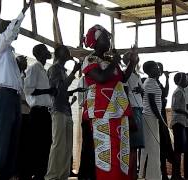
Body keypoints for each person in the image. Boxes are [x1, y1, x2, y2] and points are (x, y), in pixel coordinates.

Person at [82, 25, 136, 180]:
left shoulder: (109, 60)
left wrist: (131, 62)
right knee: (107, 152)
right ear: (96, 41)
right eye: (105, 37)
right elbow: (101, 78)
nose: (109, 40)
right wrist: (115, 62)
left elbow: (123, 78)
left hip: (118, 108)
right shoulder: (90, 59)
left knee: (121, 149)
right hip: (102, 110)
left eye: (109, 37)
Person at [0, 1, 31, 179]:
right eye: (14, 30)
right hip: (3, 96)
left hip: (12, 97)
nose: (17, 33)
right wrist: (22, 13)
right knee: (3, 139)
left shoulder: (9, 53)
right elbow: (10, 32)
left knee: (13, 139)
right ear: (5, 30)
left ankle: (8, 174)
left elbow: (15, 80)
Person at [45, 45, 81, 180]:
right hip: (58, 109)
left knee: (67, 147)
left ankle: (63, 175)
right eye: (66, 52)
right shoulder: (54, 69)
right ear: (59, 55)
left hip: (66, 110)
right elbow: (60, 88)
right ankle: (52, 176)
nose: (69, 54)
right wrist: (74, 72)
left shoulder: (62, 71)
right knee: (58, 144)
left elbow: (63, 91)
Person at [23, 44, 56, 180]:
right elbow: (28, 90)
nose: (49, 52)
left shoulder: (42, 69)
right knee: (37, 145)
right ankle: (35, 174)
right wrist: (48, 91)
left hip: (45, 112)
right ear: (40, 53)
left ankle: (41, 174)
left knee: (45, 144)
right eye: (46, 50)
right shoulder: (34, 68)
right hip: (37, 112)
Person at [122, 52, 144, 180]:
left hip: (139, 109)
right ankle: (130, 175)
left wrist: (141, 91)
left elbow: (141, 91)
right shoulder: (126, 73)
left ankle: (133, 175)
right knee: (132, 146)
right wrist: (129, 114)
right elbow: (124, 94)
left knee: (135, 146)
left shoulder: (136, 75)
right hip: (132, 111)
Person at [139, 61, 162, 180]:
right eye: (156, 67)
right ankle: (153, 176)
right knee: (153, 147)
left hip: (152, 117)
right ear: (149, 70)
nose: (158, 69)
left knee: (151, 147)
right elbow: (152, 103)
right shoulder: (149, 83)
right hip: (150, 117)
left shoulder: (153, 82)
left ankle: (151, 175)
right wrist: (160, 118)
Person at [170, 72, 188, 180]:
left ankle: (177, 175)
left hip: (182, 122)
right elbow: (175, 107)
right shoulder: (178, 92)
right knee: (178, 150)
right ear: (180, 81)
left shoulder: (182, 91)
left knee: (180, 150)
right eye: (185, 79)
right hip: (178, 123)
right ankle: (176, 175)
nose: (187, 81)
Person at [157, 62, 175, 180]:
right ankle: (160, 173)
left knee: (164, 145)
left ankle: (163, 173)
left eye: (161, 69)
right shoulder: (148, 82)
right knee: (159, 146)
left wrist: (167, 78)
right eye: (158, 69)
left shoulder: (158, 82)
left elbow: (165, 94)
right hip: (156, 117)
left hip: (162, 116)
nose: (160, 71)